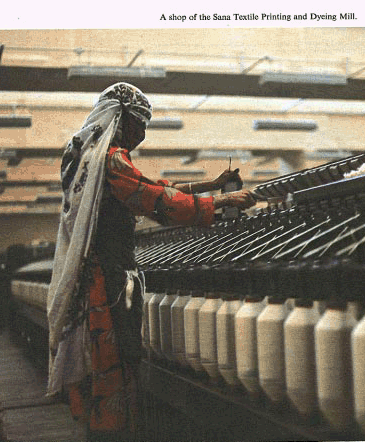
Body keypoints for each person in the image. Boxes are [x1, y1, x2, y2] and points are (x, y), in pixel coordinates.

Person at [46, 82, 256, 441]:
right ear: (121, 119)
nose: (142, 134)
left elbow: (151, 187)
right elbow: (155, 199)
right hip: (107, 279)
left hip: (97, 275)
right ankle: (112, 435)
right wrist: (221, 202)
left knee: (103, 361)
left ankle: (104, 430)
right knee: (114, 360)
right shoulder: (112, 158)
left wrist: (210, 184)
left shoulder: (91, 158)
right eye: (139, 124)